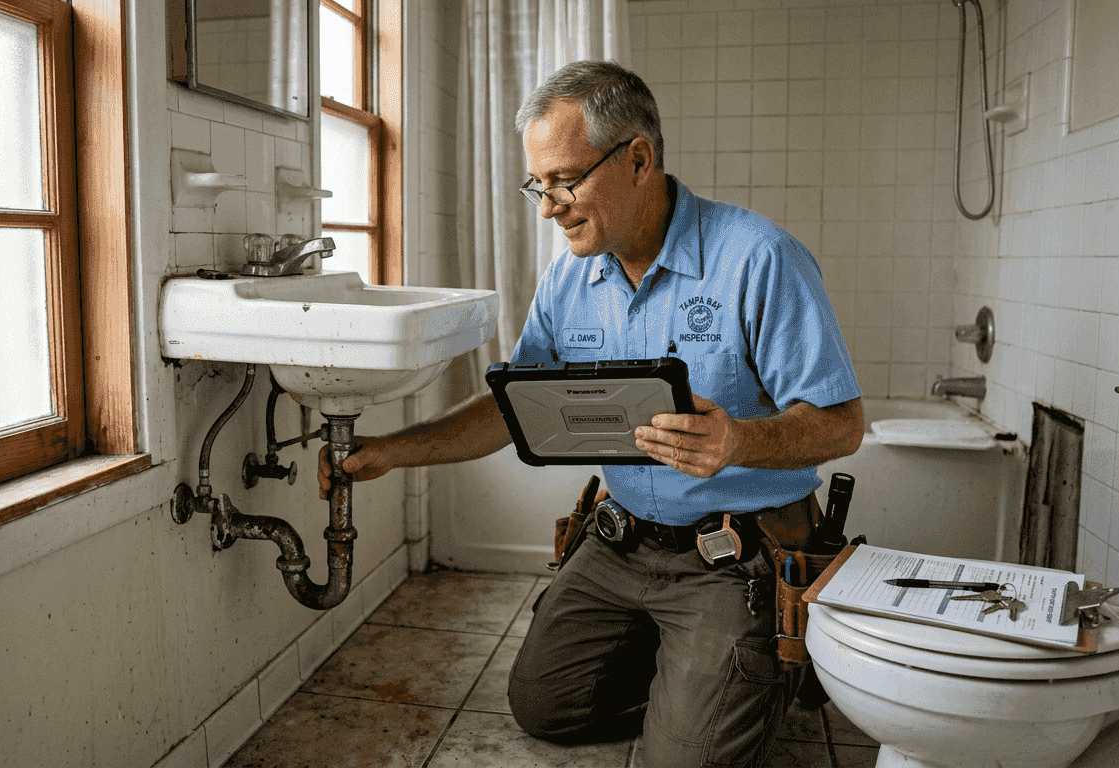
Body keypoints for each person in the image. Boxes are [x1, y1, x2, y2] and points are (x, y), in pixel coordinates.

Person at [318, 60, 864, 767]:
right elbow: (512, 411)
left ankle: (746, 682)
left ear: (638, 159)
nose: (549, 207)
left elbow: (842, 424)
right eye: (538, 186)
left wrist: (738, 440)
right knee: (542, 706)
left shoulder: (760, 259)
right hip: (622, 541)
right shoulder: (569, 278)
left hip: (732, 557)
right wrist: (391, 450)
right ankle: (688, 679)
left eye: (566, 181)